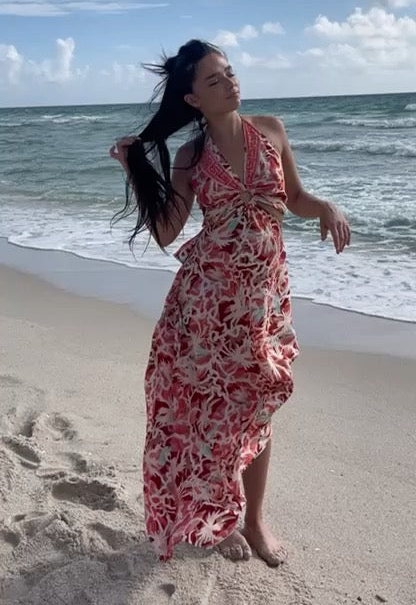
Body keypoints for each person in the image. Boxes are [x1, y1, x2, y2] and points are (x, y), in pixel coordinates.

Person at [110, 39, 350, 567]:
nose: (231, 83)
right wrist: (134, 170)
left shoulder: (271, 130)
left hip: (263, 302)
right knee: (213, 417)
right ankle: (221, 520)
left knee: (257, 407)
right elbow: (168, 232)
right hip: (207, 307)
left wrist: (327, 206)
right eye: (215, 80)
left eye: (231, 73)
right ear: (194, 100)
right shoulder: (192, 157)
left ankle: (255, 522)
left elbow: (295, 198)